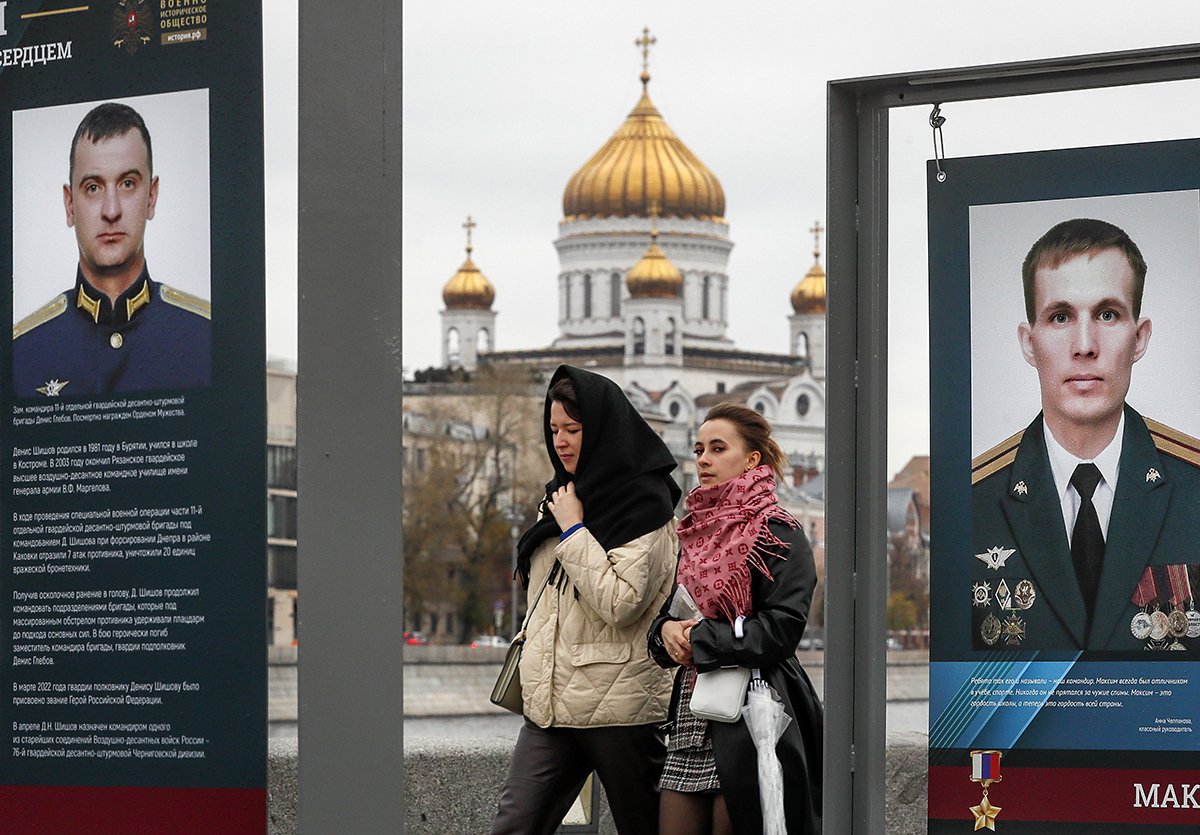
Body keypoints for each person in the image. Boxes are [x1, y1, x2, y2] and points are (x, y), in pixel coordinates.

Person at [972, 218, 1200, 652]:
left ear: (1139, 339)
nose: (1084, 345)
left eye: (1107, 314)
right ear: (1028, 343)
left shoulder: (1194, 486)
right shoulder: (972, 499)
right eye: (1060, 317)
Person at [490, 364, 681, 835]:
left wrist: (575, 529)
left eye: (573, 429)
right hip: (551, 706)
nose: (561, 441)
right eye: (553, 429)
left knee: (646, 828)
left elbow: (622, 603)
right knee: (513, 826)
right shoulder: (560, 496)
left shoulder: (645, 504)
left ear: (601, 430)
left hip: (621, 708)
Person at [649, 402, 822, 835]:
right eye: (699, 449)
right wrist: (666, 633)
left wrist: (702, 639)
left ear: (751, 459)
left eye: (717, 448)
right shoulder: (692, 531)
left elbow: (781, 629)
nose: (703, 459)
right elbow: (667, 616)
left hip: (754, 717)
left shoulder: (779, 530)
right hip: (692, 717)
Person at [12, 101, 210, 398]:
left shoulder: (205, 338)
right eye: (93, 187)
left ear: (151, 197)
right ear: (69, 205)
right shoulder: (21, 353)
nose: (111, 210)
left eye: (128, 184)